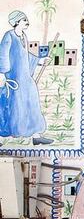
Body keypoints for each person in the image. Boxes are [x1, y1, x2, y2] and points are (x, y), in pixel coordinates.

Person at [0, 10, 53, 146]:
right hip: (13, 79)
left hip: (25, 78)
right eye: (24, 20)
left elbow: (25, 56)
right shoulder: (9, 36)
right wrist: (2, 74)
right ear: (17, 22)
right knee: (11, 105)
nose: (26, 22)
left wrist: (40, 60)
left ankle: (36, 135)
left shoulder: (23, 36)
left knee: (32, 101)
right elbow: (3, 55)